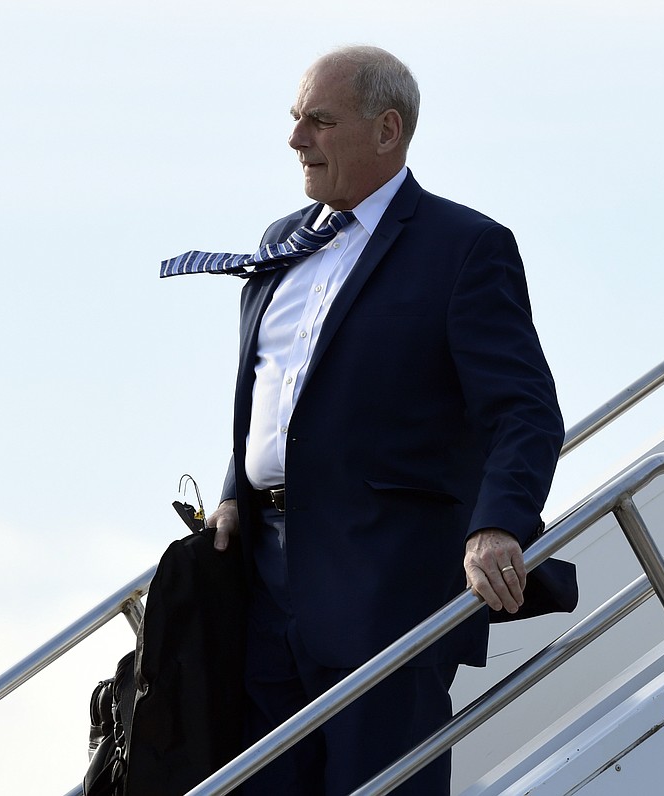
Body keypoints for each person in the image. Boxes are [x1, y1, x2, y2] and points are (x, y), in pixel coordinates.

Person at [160, 45, 564, 795]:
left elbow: (527, 411)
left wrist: (499, 524)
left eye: (319, 120)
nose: (295, 139)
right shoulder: (285, 240)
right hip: (263, 583)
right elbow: (275, 394)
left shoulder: (464, 248)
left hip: (388, 584)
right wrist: (231, 496)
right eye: (294, 119)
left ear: (387, 131)